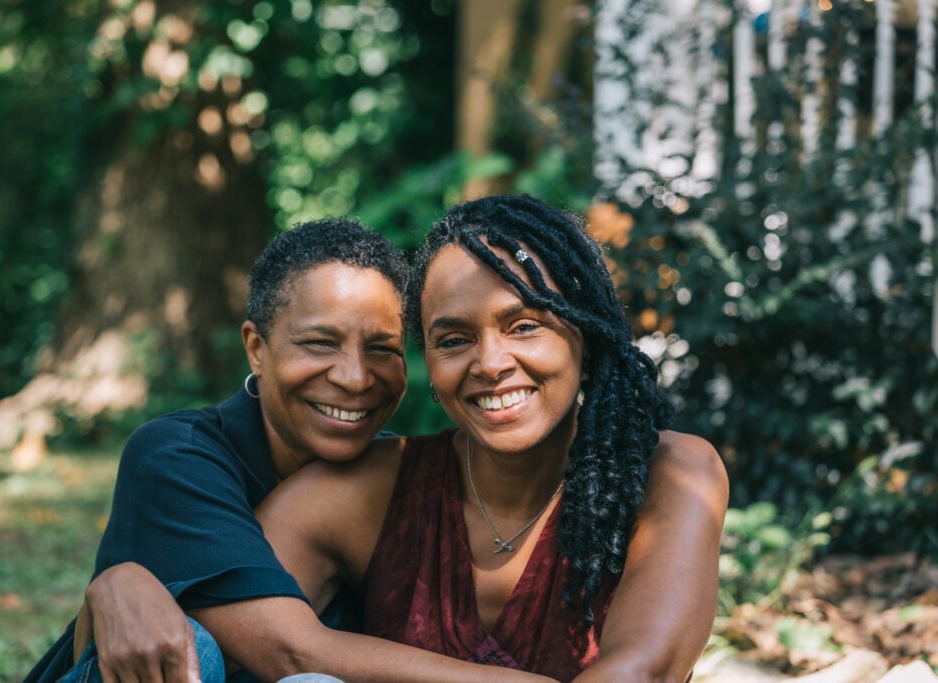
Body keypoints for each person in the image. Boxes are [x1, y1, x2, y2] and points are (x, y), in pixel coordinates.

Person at [26, 218, 553, 683]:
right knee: (199, 651)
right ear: (257, 348)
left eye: (381, 350)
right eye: (320, 343)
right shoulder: (177, 457)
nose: (354, 378)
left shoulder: (402, 481)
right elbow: (290, 652)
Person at [254, 194, 729, 681]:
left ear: (584, 333)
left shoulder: (668, 474)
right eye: (454, 340)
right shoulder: (374, 490)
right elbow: (232, 626)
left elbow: (642, 672)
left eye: (524, 326)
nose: (491, 364)